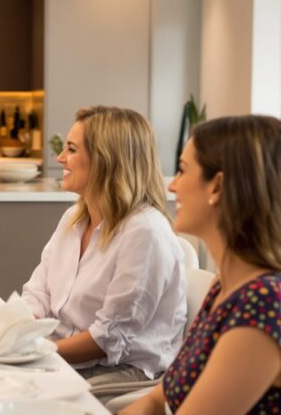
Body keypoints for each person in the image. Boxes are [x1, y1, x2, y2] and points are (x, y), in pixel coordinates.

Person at [118, 115, 281, 415]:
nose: (172, 185)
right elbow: (161, 399)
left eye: (182, 170)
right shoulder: (226, 289)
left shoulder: (263, 304)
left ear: (217, 186)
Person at [21, 106, 187, 384]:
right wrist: (9, 334)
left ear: (105, 160)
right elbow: (38, 295)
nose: (61, 158)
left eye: (71, 150)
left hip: (120, 373)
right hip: (66, 360)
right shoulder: (72, 220)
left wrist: (32, 352)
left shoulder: (144, 232)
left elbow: (106, 340)